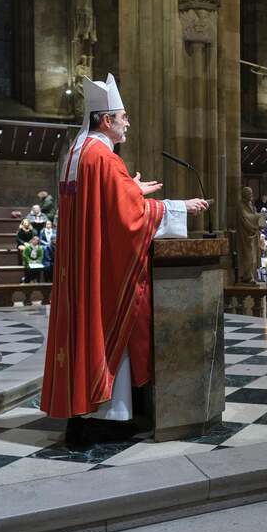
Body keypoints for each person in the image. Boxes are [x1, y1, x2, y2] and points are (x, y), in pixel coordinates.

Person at [41, 73, 208, 445]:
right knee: (114, 326)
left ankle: (80, 416)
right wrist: (179, 207)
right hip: (102, 273)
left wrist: (131, 187)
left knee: (84, 333)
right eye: (123, 117)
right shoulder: (104, 156)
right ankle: (108, 420)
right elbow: (128, 219)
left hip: (80, 269)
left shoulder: (78, 151)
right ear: (106, 120)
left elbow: (102, 206)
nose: (128, 123)